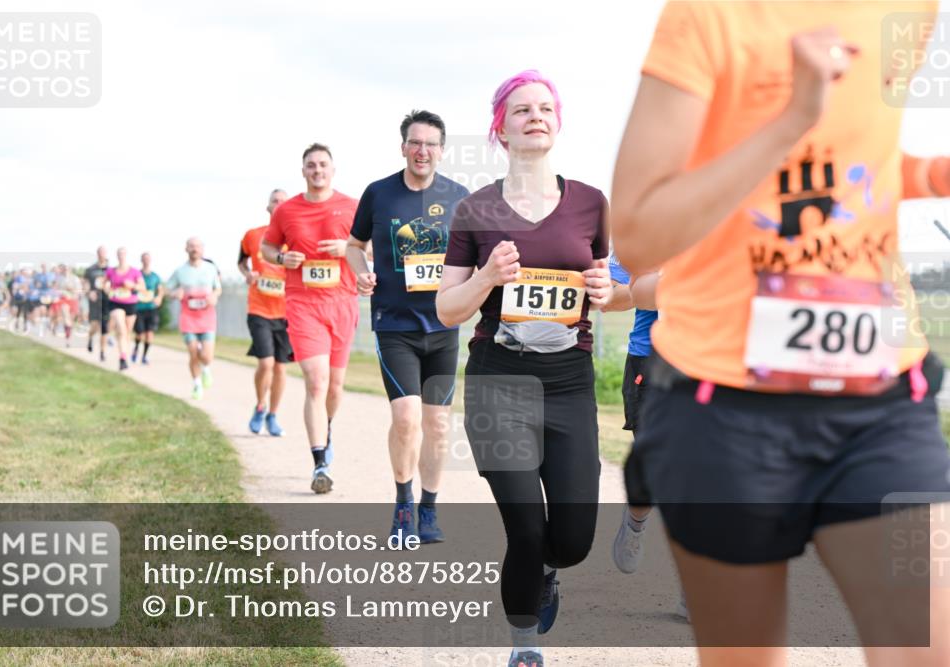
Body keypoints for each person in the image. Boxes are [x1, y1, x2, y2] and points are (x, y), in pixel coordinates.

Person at [609, 3, 950, 666]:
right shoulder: (708, 17)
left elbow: (854, 160)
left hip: (877, 400)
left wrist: (931, 175)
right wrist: (792, 117)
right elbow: (641, 231)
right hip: (723, 406)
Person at [436, 71, 612, 667]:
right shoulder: (474, 209)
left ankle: (548, 572)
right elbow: (447, 306)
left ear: (556, 123)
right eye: (521, 111)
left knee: (571, 541)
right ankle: (524, 646)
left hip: (569, 382)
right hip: (497, 382)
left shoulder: (590, 202)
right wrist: (487, 277)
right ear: (500, 128)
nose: (535, 116)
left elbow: (604, 284)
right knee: (526, 528)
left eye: (544, 108)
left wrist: (604, 289)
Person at [346, 110, 470, 544]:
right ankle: (403, 503)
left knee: (437, 425)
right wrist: (361, 271)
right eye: (415, 143)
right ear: (403, 147)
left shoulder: (459, 197)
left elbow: (475, 256)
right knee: (406, 418)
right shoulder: (378, 194)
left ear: (441, 149)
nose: (422, 151)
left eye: (431, 144)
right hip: (394, 324)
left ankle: (429, 509)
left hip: (443, 326)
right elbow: (353, 245)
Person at [261, 143, 359, 494]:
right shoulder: (287, 211)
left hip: (343, 303)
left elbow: (377, 246)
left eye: (322, 165)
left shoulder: (352, 206)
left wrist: (348, 248)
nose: (317, 170)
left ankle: (326, 427)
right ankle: (320, 463)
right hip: (303, 305)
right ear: (303, 171)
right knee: (316, 382)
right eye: (311, 165)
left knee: (334, 387)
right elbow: (267, 248)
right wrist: (280, 258)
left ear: (333, 170)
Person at [239, 188, 292, 437]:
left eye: (284, 201)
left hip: (287, 312)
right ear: (268, 207)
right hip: (259, 309)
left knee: (281, 368)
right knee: (266, 363)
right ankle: (260, 406)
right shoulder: (253, 235)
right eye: (275, 201)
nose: (279, 204)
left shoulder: (295, 237)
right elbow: (241, 261)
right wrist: (247, 274)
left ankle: (273, 414)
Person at [167, 237, 221, 399]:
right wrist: (175, 293)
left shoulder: (211, 268)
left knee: (206, 356)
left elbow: (218, 289)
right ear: (186, 249)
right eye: (191, 246)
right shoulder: (180, 271)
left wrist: (214, 296)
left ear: (202, 249)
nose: (194, 249)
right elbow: (167, 289)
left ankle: (205, 368)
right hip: (188, 317)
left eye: (197, 246)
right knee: (192, 352)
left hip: (207, 317)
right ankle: (197, 384)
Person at [104, 247, 145, 371]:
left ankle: (124, 356)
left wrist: (132, 285)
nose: (121, 256)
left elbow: (142, 287)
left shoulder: (134, 271)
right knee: (121, 329)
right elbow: (105, 283)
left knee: (126, 333)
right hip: (116, 302)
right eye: (119, 254)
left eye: (123, 254)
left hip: (130, 303)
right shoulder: (111, 271)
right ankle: (122, 359)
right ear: (117, 256)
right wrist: (107, 289)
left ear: (126, 255)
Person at [131, 252, 165, 365]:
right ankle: (136, 348)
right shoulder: (137, 274)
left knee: (149, 334)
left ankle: (144, 356)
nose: (146, 261)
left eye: (148, 259)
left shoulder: (155, 276)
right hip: (139, 308)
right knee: (140, 334)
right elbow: (130, 288)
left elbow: (160, 290)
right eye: (144, 259)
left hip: (151, 308)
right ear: (141, 260)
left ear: (150, 260)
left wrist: (159, 298)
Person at [84, 247, 110, 361]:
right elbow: (85, 283)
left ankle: (102, 352)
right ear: (97, 254)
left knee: (104, 326)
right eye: (100, 253)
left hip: (106, 300)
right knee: (94, 325)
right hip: (94, 301)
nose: (102, 255)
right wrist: (89, 292)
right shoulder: (90, 269)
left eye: (104, 252)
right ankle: (90, 337)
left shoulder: (111, 270)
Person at [50, 264, 82, 346]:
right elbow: (55, 289)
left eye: (67, 269)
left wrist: (72, 290)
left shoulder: (75, 279)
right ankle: (67, 340)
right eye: (64, 269)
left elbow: (79, 290)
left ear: (70, 270)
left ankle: (68, 335)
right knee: (66, 316)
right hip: (63, 300)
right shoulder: (59, 278)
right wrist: (59, 293)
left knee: (70, 321)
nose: (66, 271)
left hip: (73, 300)